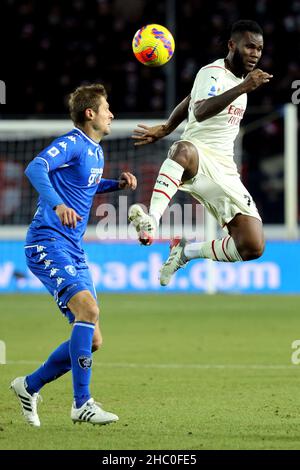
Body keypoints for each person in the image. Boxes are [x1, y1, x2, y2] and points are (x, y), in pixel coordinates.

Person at [11, 84, 137, 426]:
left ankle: (29, 385)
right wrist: (58, 204)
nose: (112, 114)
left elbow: (86, 184)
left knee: (93, 338)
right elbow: (36, 168)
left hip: (73, 247)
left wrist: (116, 185)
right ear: (90, 113)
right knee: (89, 309)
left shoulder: (95, 152)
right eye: (107, 107)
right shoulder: (73, 142)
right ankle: (82, 404)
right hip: (46, 241)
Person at [129, 20, 273, 286]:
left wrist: (166, 126)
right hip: (197, 155)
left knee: (253, 245)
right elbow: (200, 109)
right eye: (249, 46)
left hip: (224, 169)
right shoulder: (214, 72)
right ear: (232, 45)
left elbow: (189, 99)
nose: (255, 53)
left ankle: (185, 251)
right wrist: (244, 87)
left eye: (260, 49)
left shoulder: (238, 81)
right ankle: (152, 220)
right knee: (181, 149)